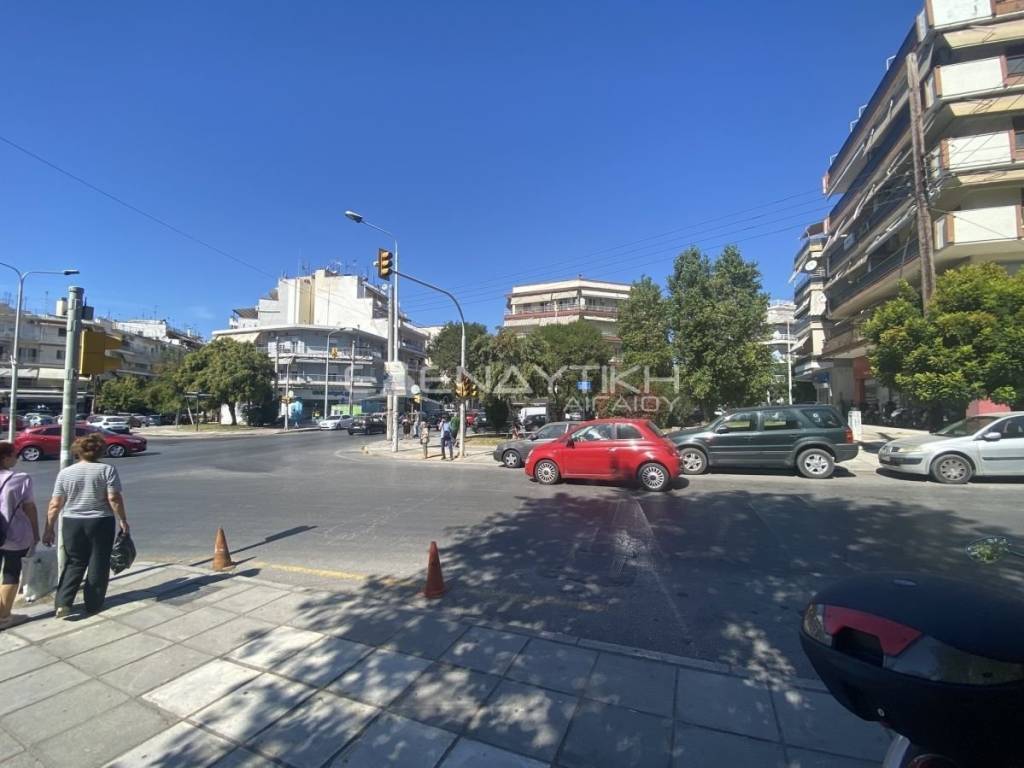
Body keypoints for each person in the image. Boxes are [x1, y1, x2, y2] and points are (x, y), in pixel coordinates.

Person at [42, 433, 129, 617]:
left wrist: (49, 528)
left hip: (72, 522)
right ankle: (93, 603)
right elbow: (114, 498)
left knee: (74, 561)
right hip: (100, 521)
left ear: (78, 451)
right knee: (99, 561)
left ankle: (63, 602)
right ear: (100, 450)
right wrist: (123, 520)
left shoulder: (65, 473)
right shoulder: (107, 470)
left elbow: (55, 504)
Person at [0, 442, 40, 629]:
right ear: (5, 458)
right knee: (11, 572)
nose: (17, 458)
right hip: (14, 535)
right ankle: (3, 617)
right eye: (14, 455)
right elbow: (29, 508)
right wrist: (35, 533)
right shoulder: (20, 479)